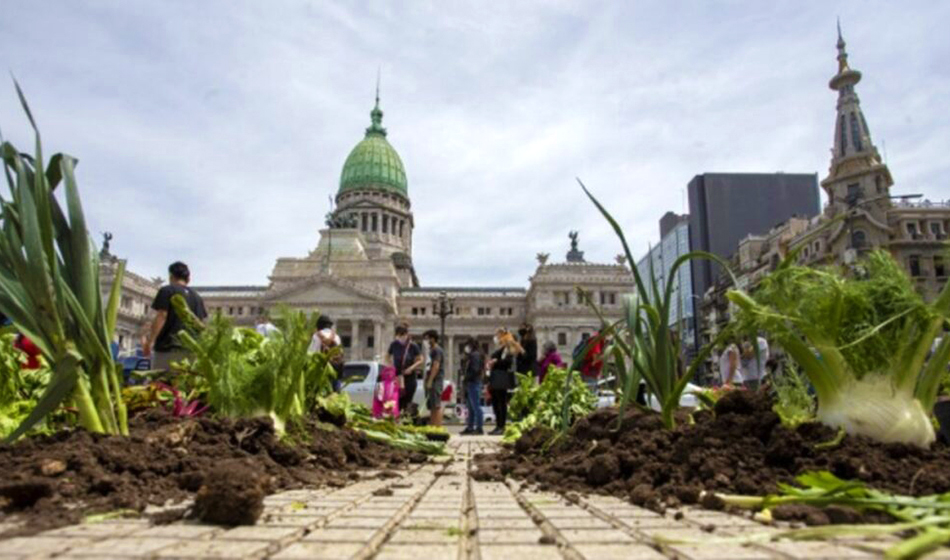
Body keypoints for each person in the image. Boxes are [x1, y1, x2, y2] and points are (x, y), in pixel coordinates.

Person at [144, 262, 207, 372]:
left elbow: (162, 316)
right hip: (190, 351)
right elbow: (200, 325)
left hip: (168, 348)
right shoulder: (197, 298)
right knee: (185, 386)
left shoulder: (167, 290)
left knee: (162, 385)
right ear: (188, 279)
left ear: (171, 276)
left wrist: (150, 341)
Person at [488, 328, 523, 435]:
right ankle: (498, 425)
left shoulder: (509, 349)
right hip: (496, 378)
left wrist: (496, 361)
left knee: (501, 403)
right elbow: (495, 356)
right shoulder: (502, 350)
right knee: (495, 402)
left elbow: (507, 363)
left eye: (499, 336)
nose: (497, 338)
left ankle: (501, 426)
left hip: (502, 378)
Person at [387, 322, 424, 415]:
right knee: (397, 401)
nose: (400, 337)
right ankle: (397, 421)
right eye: (398, 335)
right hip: (398, 377)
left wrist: (411, 368)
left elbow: (421, 359)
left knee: (408, 402)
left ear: (406, 334)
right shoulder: (394, 344)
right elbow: (387, 356)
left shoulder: (413, 346)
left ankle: (406, 421)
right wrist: (391, 365)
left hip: (410, 378)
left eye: (401, 335)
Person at [309, 315, 344, 391]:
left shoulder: (316, 336)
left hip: (322, 371)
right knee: (336, 393)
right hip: (336, 369)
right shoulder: (336, 336)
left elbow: (311, 353)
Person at [460, 338, 485, 435]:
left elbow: (475, 370)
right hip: (471, 382)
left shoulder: (475, 355)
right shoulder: (473, 355)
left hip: (473, 382)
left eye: (467, 345)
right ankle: (470, 427)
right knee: (470, 407)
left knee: (476, 406)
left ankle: (479, 427)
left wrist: (465, 377)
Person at [422, 329, 445, 427]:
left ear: (433, 339)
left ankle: (437, 426)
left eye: (427, 339)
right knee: (431, 406)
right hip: (430, 380)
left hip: (435, 380)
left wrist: (430, 380)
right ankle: (432, 425)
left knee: (436, 405)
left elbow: (436, 365)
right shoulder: (431, 350)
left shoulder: (437, 350)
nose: (426, 341)